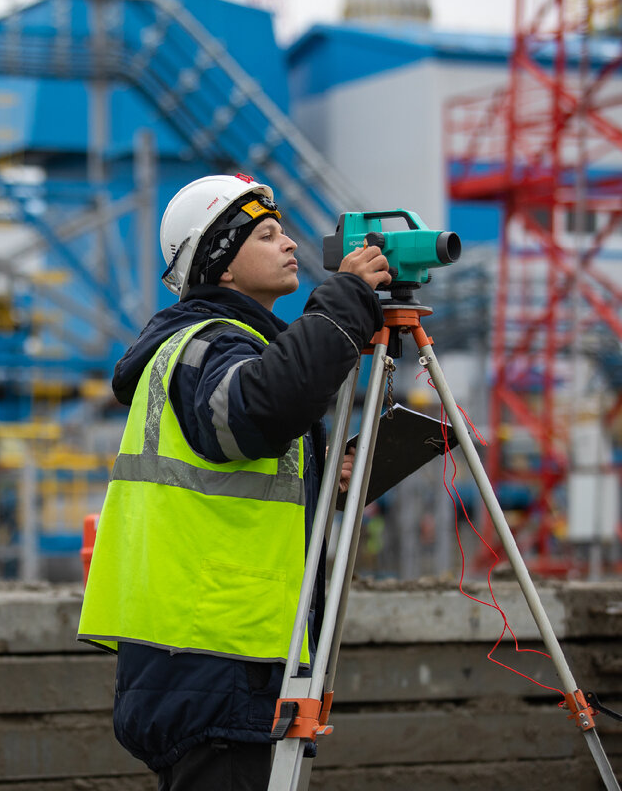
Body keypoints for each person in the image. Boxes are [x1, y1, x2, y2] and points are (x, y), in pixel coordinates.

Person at [77, 173, 391, 789]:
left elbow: (236, 475)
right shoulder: (201, 346)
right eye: (267, 234)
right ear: (220, 265)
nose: (290, 243)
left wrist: (324, 474)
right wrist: (345, 302)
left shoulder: (230, 347)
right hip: (210, 661)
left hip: (225, 655)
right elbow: (254, 413)